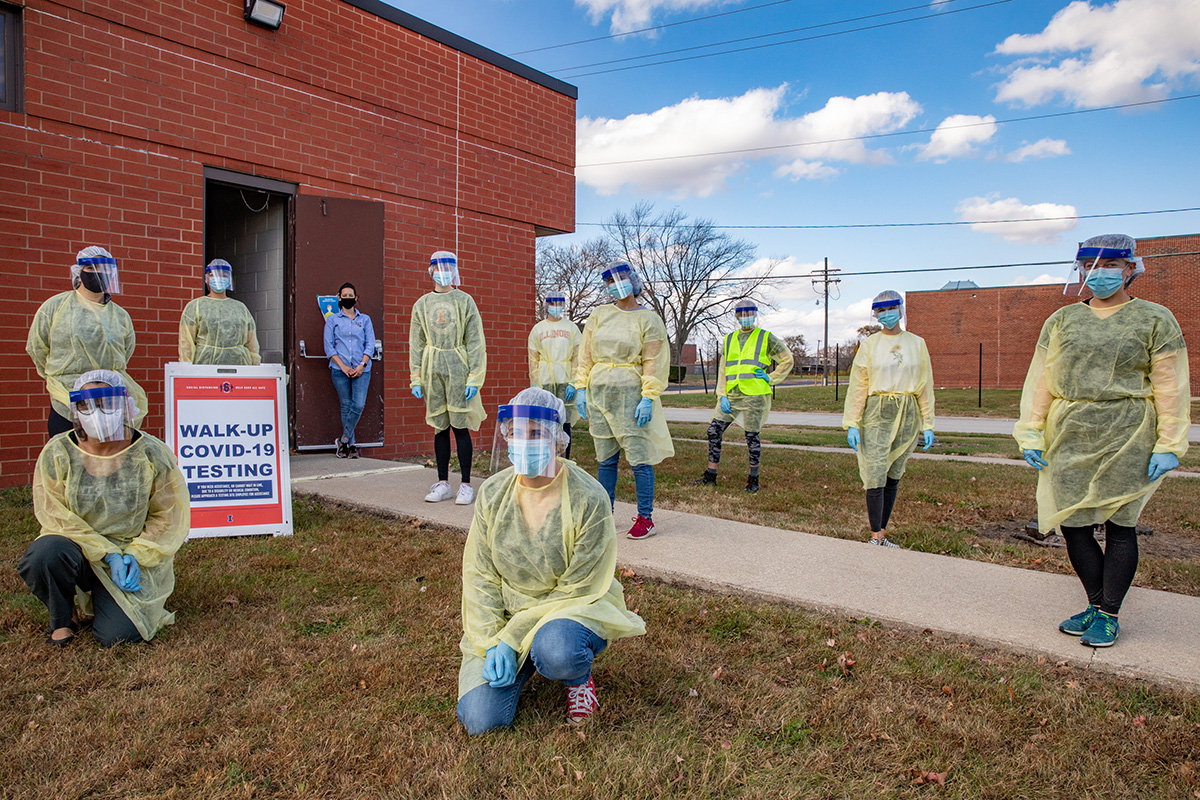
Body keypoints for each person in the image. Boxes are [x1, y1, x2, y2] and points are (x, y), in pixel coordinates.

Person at [1015, 234, 1189, 648]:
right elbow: (1041, 381)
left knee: (1119, 525)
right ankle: (1096, 604)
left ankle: (1110, 615)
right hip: (1070, 432)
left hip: (1128, 432)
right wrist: (1031, 431)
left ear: (1130, 269)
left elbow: (1171, 387)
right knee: (1074, 526)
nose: (1098, 275)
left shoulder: (1156, 319)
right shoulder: (1061, 321)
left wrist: (1170, 442)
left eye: (1109, 266)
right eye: (1089, 267)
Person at [457, 388, 645, 734]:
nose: (524, 442)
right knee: (480, 721)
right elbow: (479, 573)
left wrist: (512, 638)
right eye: (516, 432)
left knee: (557, 650)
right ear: (505, 436)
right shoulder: (493, 492)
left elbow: (580, 586)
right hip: (509, 616)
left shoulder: (589, 497)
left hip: (569, 610)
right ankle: (521, 661)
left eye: (536, 433)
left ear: (558, 440)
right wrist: (489, 640)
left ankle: (577, 679)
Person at [17, 371, 189, 647]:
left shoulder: (151, 453)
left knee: (118, 636)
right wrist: (106, 553)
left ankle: (110, 598)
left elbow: (168, 515)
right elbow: (55, 514)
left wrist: (135, 552)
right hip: (79, 549)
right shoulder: (58, 452)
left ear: (124, 404)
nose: (96, 411)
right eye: (86, 404)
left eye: (106, 402)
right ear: (75, 409)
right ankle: (63, 619)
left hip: (130, 553)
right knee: (44, 553)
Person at [574, 261, 674, 540]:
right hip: (599, 394)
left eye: (621, 279)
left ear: (633, 281)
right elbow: (585, 355)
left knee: (639, 458)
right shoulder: (599, 315)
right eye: (610, 282)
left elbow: (653, 361)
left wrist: (648, 396)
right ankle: (605, 513)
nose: (616, 285)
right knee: (606, 459)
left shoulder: (649, 319)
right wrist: (581, 387)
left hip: (631, 396)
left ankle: (645, 518)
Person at [842, 290, 935, 548]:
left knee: (894, 474)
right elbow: (859, 385)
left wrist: (928, 422)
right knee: (875, 473)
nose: (886, 315)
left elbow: (925, 385)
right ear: (876, 314)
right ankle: (874, 536)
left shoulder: (917, 344)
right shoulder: (870, 345)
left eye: (890, 308)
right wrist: (852, 421)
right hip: (877, 413)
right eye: (880, 311)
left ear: (901, 309)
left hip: (907, 412)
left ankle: (882, 533)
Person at [27, 246, 148, 437]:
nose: (99, 273)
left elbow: (125, 351)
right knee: (70, 453)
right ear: (79, 271)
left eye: (105, 268)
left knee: (110, 456)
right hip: (67, 396)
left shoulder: (120, 315)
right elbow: (37, 348)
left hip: (110, 399)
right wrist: (61, 375)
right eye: (91, 268)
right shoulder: (55, 307)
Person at [410, 251, 486, 504]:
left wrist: (474, 377)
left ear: (454, 270)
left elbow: (475, 341)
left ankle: (466, 484)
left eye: (448, 267)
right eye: (438, 267)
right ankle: (443, 483)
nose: (442, 271)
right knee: (439, 427)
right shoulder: (421, 304)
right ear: (430, 270)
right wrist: (416, 376)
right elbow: (416, 343)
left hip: (458, 368)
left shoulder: (465, 301)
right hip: (432, 369)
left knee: (460, 426)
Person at [694, 300, 793, 492]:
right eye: (742, 313)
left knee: (751, 436)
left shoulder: (766, 337)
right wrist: (721, 394)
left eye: (749, 313)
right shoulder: (729, 339)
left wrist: (770, 377)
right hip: (731, 395)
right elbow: (723, 369)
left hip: (753, 396)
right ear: (737, 316)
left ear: (755, 314)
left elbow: (787, 359)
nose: (746, 317)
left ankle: (753, 480)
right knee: (713, 431)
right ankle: (710, 475)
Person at [324, 281, 375, 459]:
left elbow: (370, 344)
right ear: (339, 298)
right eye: (344, 296)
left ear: (356, 298)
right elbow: (329, 347)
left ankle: (343, 439)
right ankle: (351, 445)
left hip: (362, 369)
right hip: (340, 369)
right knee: (346, 406)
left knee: (358, 404)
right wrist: (343, 366)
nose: (347, 298)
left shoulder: (365, 320)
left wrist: (362, 365)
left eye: (350, 295)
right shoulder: (333, 320)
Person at [527, 291, 581, 458]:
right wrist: (536, 382)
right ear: (547, 306)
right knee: (546, 422)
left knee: (565, 423)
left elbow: (577, 356)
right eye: (553, 303)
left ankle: (565, 460)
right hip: (545, 381)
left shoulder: (571, 328)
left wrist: (574, 381)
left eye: (559, 304)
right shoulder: (538, 329)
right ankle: (548, 458)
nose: (556, 307)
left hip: (565, 381)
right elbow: (533, 358)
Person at [178, 258, 262, 366]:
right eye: (213, 275)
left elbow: (252, 344)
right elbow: (186, 342)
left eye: (224, 275)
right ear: (207, 279)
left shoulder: (241, 308)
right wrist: (186, 369)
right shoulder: (195, 307)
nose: (219, 278)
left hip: (239, 367)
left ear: (229, 279)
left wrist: (256, 367)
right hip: (204, 367)